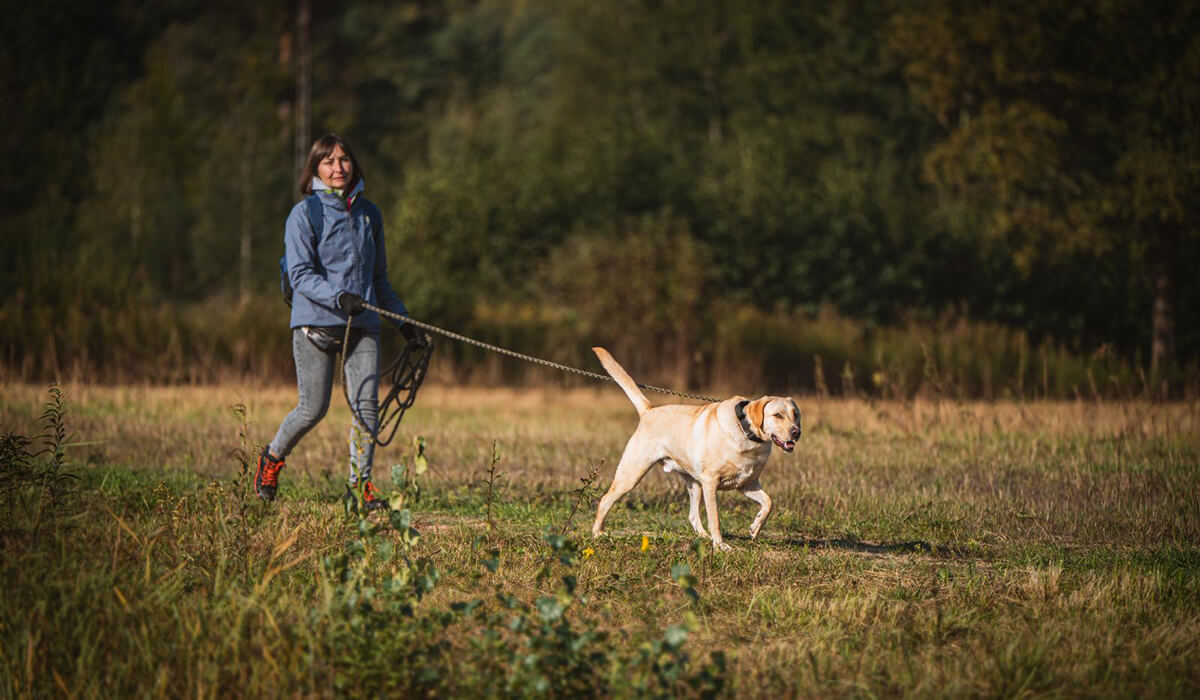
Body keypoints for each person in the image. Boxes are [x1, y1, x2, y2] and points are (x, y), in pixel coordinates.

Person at [255, 133, 423, 510]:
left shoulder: (370, 215)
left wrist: (404, 322)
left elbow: (379, 279)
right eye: (328, 161)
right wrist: (338, 297)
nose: (337, 168)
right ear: (315, 168)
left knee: (366, 408)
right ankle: (271, 459)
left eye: (343, 159)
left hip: (362, 326)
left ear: (354, 165)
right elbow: (298, 274)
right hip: (315, 324)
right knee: (313, 408)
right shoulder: (303, 215)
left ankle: (359, 489)